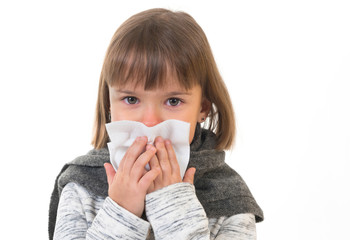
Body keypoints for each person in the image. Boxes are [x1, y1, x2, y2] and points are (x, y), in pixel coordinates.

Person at [49, 8, 264, 240]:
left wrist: (172, 208)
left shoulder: (230, 196)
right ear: (109, 105)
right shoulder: (81, 187)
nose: (150, 121)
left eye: (173, 101)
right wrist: (121, 212)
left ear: (202, 108)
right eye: (131, 99)